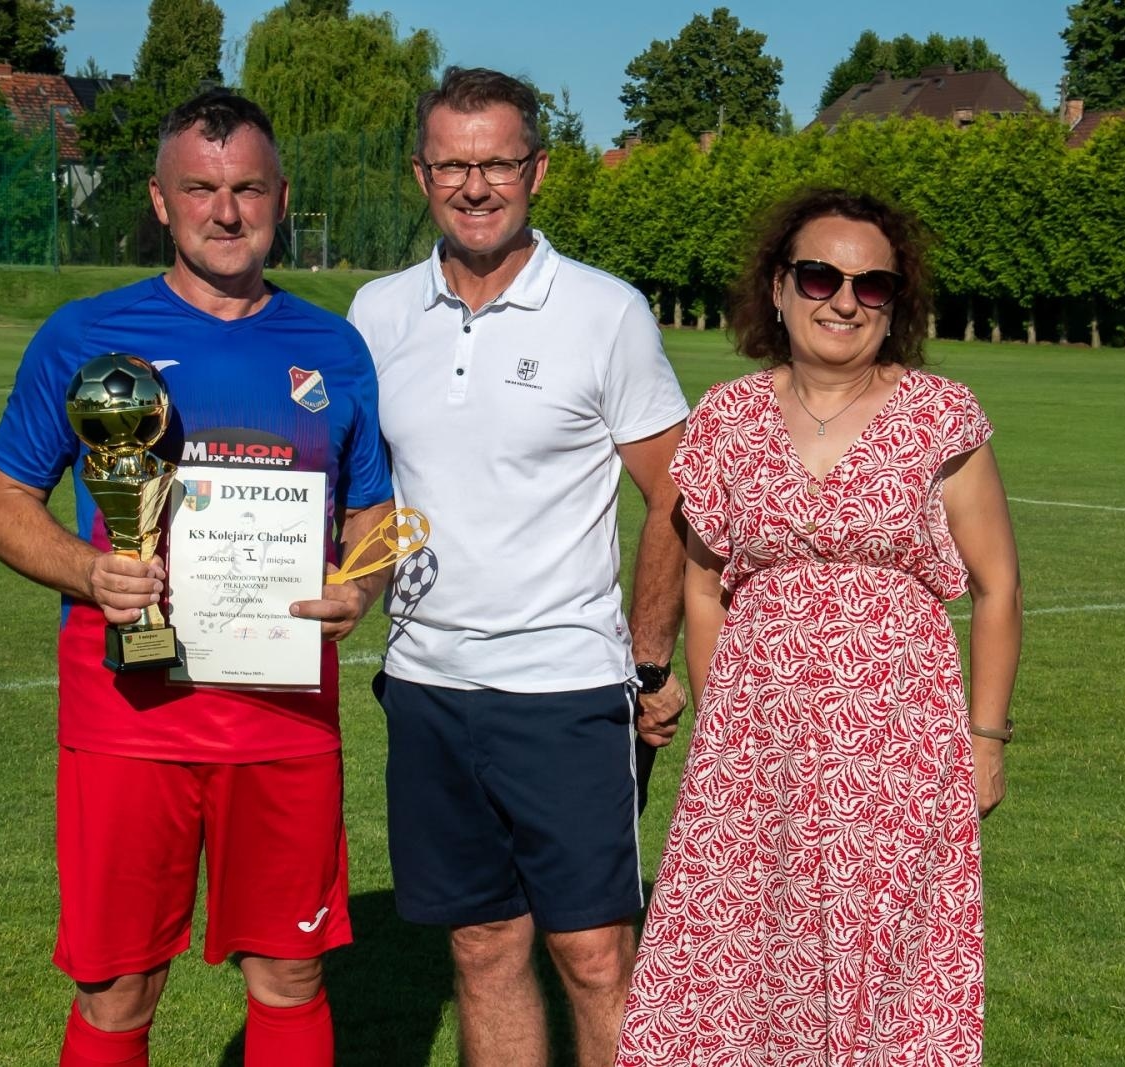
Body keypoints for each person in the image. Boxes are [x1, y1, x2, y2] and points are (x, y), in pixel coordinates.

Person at [0, 88, 393, 1067]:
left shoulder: (334, 347)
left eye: (247, 187)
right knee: (118, 983)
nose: (226, 210)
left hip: (284, 712)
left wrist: (359, 583)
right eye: (199, 188)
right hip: (131, 710)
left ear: (281, 196)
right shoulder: (85, 337)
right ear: (161, 201)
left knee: (290, 973)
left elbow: (370, 507)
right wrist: (88, 569)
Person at [615, 188, 1023, 1066]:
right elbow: (702, 583)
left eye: (872, 285)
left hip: (899, 748)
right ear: (776, 287)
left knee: (885, 961)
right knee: (746, 956)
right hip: (757, 743)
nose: (844, 299)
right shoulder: (725, 416)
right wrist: (723, 722)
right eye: (820, 275)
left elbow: (997, 587)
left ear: (895, 303)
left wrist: (984, 736)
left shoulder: (940, 416)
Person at [346, 67, 689, 1067]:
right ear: (421, 175)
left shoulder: (604, 311)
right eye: (453, 164)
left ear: (536, 169)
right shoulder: (376, 312)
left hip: (567, 690)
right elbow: (379, 495)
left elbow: (673, 490)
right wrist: (352, 583)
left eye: (497, 162)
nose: (476, 185)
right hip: (426, 685)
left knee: (592, 952)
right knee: (482, 942)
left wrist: (650, 658)